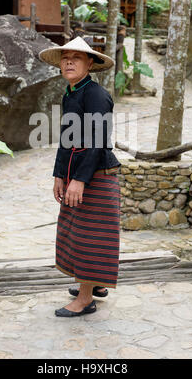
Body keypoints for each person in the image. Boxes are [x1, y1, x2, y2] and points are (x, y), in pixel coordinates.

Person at [39, 37, 121, 317]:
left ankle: (85, 300)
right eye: (65, 58)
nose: (69, 61)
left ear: (90, 63)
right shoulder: (71, 92)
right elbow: (66, 138)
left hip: (97, 174)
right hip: (78, 173)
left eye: (77, 57)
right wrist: (59, 175)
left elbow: (98, 141)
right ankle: (95, 285)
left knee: (88, 236)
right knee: (74, 231)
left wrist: (80, 180)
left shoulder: (96, 95)